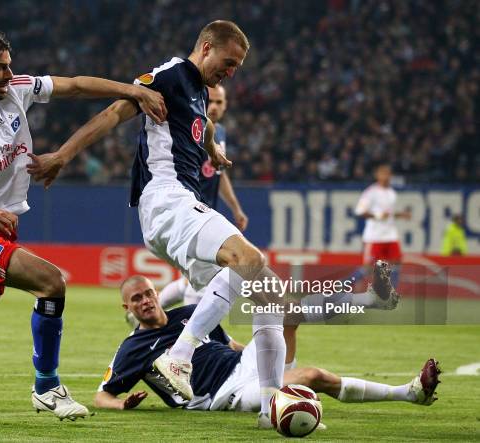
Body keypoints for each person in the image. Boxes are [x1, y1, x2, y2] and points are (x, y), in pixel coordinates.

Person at [27, 20, 399, 424]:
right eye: (229, 61)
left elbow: (200, 125)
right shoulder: (169, 74)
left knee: (269, 296)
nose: (232, 71)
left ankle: (270, 405)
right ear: (206, 47)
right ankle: (179, 358)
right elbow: (115, 112)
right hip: (165, 198)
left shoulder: (200, 94)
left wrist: (212, 150)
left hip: (177, 207)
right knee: (249, 258)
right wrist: (63, 155)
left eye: (238, 66)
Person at [0, 27, 166, 420]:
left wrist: (132, 90)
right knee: (52, 282)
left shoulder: (16, 89)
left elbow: (76, 86)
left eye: (10, 65)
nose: (10, 74)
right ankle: (47, 387)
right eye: (0, 68)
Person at [94, 275, 440, 428]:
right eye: (136, 298)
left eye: (148, 293)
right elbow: (101, 395)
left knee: (287, 311)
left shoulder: (189, 315)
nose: (145, 301)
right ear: (127, 306)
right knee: (313, 377)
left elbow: (228, 344)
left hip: (244, 364)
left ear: (157, 293)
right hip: (224, 394)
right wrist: (121, 403)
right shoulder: (132, 348)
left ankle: (370, 300)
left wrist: (262, 349)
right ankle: (409, 394)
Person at [157, 84, 247, 311]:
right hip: (188, 212)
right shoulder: (190, 129)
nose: (214, 107)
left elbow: (219, 173)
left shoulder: (220, 133)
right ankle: (192, 339)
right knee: (203, 280)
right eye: (210, 101)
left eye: (219, 102)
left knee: (195, 278)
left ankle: (147, 313)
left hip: (207, 213)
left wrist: (236, 208)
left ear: (226, 105)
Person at [353, 163, 411, 289]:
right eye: (383, 173)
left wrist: (401, 215)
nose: (386, 176)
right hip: (375, 235)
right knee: (368, 268)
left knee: (396, 263)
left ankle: (391, 293)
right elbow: (359, 211)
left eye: (388, 173)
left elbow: (388, 214)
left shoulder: (391, 193)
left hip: (390, 234)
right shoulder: (371, 192)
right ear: (377, 175)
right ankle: (343, 285)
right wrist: (378, 215)